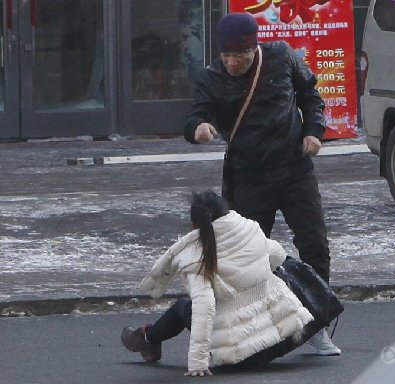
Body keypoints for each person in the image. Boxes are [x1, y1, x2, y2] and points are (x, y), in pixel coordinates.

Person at [183, 12, 340, 355]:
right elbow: (196, 114)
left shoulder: (282, 56)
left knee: (315, 246)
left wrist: (314, 131)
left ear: (254, 48)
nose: (232, 62)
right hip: (248, 177)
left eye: (239, 54)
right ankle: (254, 331)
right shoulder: (212, 79)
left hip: (294, 169)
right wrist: (199, 129)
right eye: (226, 55)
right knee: (248, 259)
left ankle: (317, 323)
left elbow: (311, 95)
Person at [121, 191, 315, 377]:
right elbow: (279, 256)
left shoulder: (195, 256)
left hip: (242, 355)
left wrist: (198, 362)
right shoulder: (250, 229)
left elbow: (204, 308)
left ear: (194, 224)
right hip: (286, 336)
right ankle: (147, 339)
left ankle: (147, 340)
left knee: (183, 306)